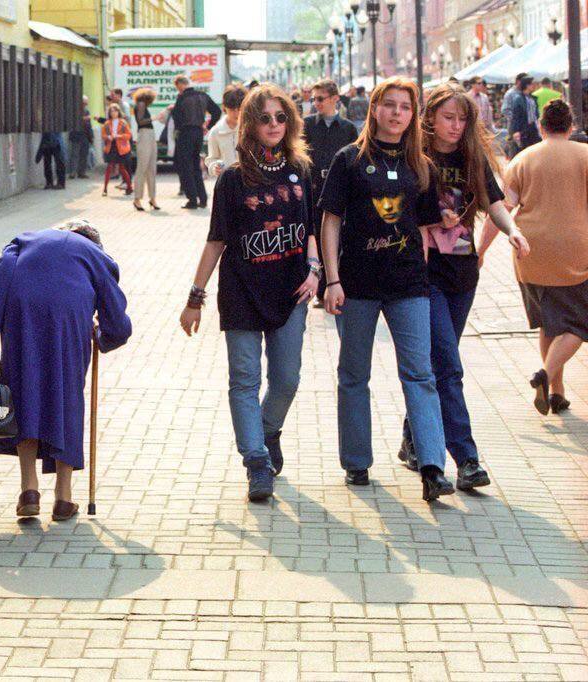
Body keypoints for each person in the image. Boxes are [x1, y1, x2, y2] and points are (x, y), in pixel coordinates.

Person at [179, 84, 321, 502]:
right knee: (244, 379)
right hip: (241, 291)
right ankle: (256, 462)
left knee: (287, 379)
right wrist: (194, 298)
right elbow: (215, 241)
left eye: (281, 117)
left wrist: (315, 271)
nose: (274, 124)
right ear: (249, 123)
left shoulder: (301, 169)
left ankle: (267, 430)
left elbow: (312, 227)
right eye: (265, 117)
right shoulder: (232, 180)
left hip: (292, 290)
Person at [318, 77, 455, 501]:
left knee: (420, 374)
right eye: (389, 105)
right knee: (353, 376)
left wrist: (426, 272)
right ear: (374, 109)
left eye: (405, 107)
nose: (397, 113)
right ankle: (356, 462)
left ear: (413, 116)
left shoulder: (421, 164)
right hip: (356, 284)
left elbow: (425, 228)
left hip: (408, 285)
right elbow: (330, 221)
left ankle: (432, 466)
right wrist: (332, 279)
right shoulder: (349, 160)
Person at [394, 83, 530, 490]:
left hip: (463, 273)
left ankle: (413, 436)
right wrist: (432, 223)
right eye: (449, 118)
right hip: (426, 273)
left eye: (463, 119)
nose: (456, 126)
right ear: (431, 116)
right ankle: (466, 458)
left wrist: (512, 232)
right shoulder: (414, 156)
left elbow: (493, 203)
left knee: (438, 364)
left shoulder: (472, 157)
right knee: (449, 368)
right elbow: (397, 212)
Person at [0, 220, 132, 521]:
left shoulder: (27, 238)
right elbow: (115, 312)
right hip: (68, 318)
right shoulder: (93, 253)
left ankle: (29, 491)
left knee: (24, 393)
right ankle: (63, 498)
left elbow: (1, 273)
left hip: (23, 313)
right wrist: (106, 336)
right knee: (66, 396)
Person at [491, 99, 588, 415]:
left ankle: (556, 392)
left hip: (530, 250)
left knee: (550, 322)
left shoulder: (523, 159)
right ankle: (545, 375)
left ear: (541, 126)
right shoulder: (585, 156)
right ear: (570, 127)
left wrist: (479, 252)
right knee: (579, 323)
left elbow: (503, 208)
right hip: (577, 250)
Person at [303, 79, 358, 303]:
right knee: (315, 233)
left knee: (338, 234)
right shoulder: (306, 125)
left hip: (339, 190)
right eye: (313, 99)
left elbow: (355, 159)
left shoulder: (347, 128)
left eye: (320, 99)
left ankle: (338, 281)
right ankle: (320, 285)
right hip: (314, 188)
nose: (316, 103)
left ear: (335, 99)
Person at [171, 74, 222, 209]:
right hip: (199, 134)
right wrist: (208, 126)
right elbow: (216, 111)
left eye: (177, 87)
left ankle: (192, 200)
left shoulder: (182, 97)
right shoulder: (203, 95)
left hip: (186, 134)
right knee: (196, 166)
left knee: (186, 167)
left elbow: (176, 116)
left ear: (180, 85)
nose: (178, 90)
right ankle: (203, 199)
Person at [205, 84, 246, 177]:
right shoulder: (216, 132)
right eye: (232, 109)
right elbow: (211, 159)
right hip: (227, 184)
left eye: (239, 109)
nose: (236, 113)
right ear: (224, 107)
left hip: (250, 183)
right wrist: (214, 167)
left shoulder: (251, 129)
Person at [131, 87, 161, 211]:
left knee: (151, 168)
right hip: (145, 135)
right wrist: (153, 118)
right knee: (143, 168)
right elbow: (141, 121)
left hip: (148, 135)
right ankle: (137, 199)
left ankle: (152, 198)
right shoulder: (141, 104)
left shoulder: (141, 105)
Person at [101, 103, 132, 196]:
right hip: (111, 146)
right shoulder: (107, 123)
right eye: (111, 111)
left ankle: (129, 187)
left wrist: (119, 136)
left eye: (115, 111)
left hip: (121, 147)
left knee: (122, 168)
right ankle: (105, 189)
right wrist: (108, 137)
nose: (113, 113)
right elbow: (103, 135)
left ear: (119, 112)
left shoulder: (123, 122)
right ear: (109, 113)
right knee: (109, 167)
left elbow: (128, 135)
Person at [508, 76, 542, 154]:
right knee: (524, 150)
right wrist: (516, 131)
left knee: (535, 150)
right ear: (527, 85)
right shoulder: (518, 99)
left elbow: (536, 114)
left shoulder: (533, 98)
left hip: (533, 127)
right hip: (523, 128)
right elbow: (516, 116)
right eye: (532, 84)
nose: (534, 86)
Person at [502, 72, 528, 157]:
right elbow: (505, 110)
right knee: (515, 150)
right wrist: (516, 119)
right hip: (514, 127)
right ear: (518, 81)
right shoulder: (510, 94)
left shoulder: (525, 93)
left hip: (525, 127)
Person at [68, 96, 93, 180]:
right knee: (75, 154)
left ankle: (82, 172)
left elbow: (89, 125)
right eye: (84, 103)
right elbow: (72, 120)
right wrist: (84, 118)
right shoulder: (74, 110)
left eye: (86, 103)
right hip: (76, 135)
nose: (85, 105)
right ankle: (72, 172)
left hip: (85, 135)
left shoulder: (87, 111)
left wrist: (91, 136)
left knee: (84, 154)